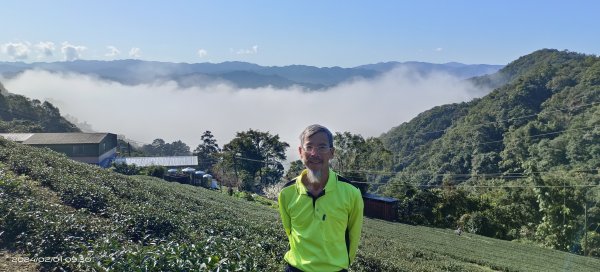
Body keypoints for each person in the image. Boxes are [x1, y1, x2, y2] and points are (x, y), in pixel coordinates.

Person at [278, 124, 364, 272]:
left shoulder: (351, 193)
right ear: (300, 152)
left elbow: (353, 235)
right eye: (309, 147)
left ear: (332, 152)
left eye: (322, 147)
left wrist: (340, 264)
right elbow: (289, 231)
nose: (314, 153)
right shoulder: (287, 193)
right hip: (296, 268)